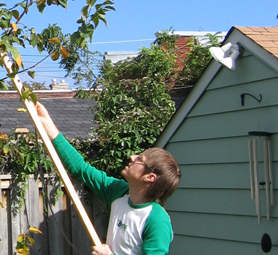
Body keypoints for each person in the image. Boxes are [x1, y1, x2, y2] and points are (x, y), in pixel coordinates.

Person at [35, 102, 181, 255]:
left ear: (150, 177)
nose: (132, 157)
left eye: (140, 159)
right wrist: (48, 125)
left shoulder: (156, 220)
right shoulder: (119, 192)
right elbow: (81, 169)